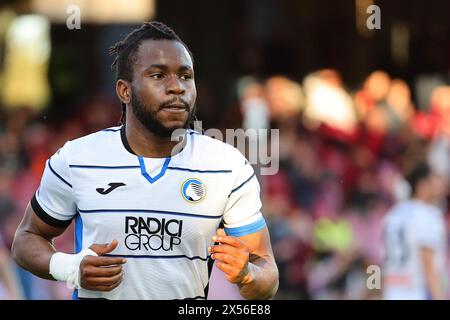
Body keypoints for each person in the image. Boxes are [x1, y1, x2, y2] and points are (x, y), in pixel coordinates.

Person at [11, 21, 279, 300]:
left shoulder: (227, 167)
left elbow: (267, 275)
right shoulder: (76, 159)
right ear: (124, 91)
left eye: (186, 76)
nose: (177, 87)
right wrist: (70, 267)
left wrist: (247, 273)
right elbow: (25, 240)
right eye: (158, 75)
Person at [382, 162, 448, 300]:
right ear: (422, 185)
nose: (440, 183)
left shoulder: (392, 215)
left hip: (393, 293)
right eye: (435, 178)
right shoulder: (428, 215)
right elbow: (427, 262)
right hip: (417, 293)